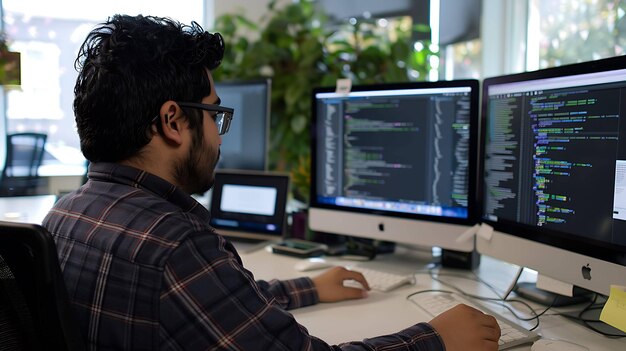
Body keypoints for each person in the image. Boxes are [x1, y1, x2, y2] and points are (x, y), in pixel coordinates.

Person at [43, 14, 500, 350]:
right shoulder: (174, 245)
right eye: (215, 114)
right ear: (173, 121)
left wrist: (305, 287)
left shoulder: (62, 215)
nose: (219, 138)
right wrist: (435, 339)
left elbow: (209, 304)